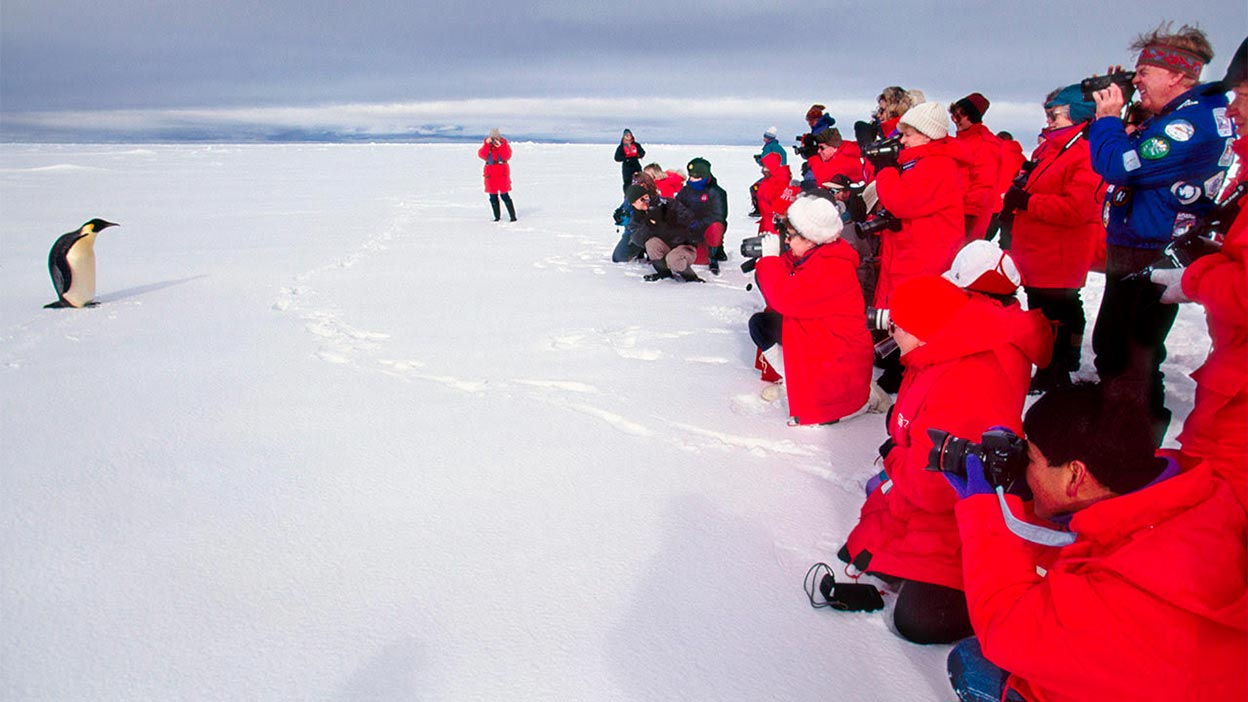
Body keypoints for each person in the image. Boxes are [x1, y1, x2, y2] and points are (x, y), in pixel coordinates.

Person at [944, 382, 1248, 702]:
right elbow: (1092, 543)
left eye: (1030, 458)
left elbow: (1005, 629)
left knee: (973, 661)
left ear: (1076, 475)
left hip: (1161, 681)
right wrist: (1031, 502)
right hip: (1209, 672)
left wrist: (986, 519)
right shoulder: (1198, 500)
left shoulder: (1115, 594)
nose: (1023, 467)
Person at [839, 274, 1049, 645]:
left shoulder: (965, 381)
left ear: (924, 330)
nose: (891, 332)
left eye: (898, 325)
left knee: (918, 622)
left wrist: (895, 458)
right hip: (926, 504)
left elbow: (935, 489)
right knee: (866, 552)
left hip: (964, 516)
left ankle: (1005, 611)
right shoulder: (934, 356)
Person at [1087, 23, 1232, 445]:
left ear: (1177, 75)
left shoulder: (1189, 125)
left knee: (1130, 353)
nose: (1135, 81)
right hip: (1141, 243)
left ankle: (1130, 446)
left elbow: (1119, 165)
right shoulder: (1179, 117)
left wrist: (1108, 119)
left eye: (1144, 72)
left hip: (1150, 251)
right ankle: (1121, 433)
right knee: (1119, 347)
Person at [1150, 36, 1248, 512]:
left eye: (1243, 97)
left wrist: (1195, 279)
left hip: (1238, 407)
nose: (1233, 110)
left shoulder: (1187, 128)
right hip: (1232, 379)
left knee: (1215, 510)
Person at [1003, 84, 1103, 392]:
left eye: (1055, 114)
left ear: (1077, 115)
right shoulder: (1053, 148)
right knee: (1045, 310)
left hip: (1059, 251)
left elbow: (1078, 208)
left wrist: (1028, 201)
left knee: (1055, 312)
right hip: (1038, 247)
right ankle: (1056, 363)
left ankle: (1055, 370)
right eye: (1047, 114)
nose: (1048, 120)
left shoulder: (1085, 153)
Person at [868, 101, 968, 392]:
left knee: (914, 313)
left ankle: (909, 370)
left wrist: (885, 171)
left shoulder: (937, 165)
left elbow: (901, 202)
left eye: (907, 134)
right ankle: (898, 360)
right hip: (911, 248)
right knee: (902, 308)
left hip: (924, 253)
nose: (902, 140)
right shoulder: (922, 162)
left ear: (926, 135)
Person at [750, 193, 876, 425]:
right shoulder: (820, 252)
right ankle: (792, 382)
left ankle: (833, 406)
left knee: (772, 322)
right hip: (821, 338)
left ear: (810, 239)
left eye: (790, 236)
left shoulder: (831, 267)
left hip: (836, 357)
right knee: (761, 325)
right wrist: (773, 257)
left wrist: (769, 261)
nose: (787, 242)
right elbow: (789, 266)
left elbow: (785, 299)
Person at [624, 183, 703, 283]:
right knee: (651, 244)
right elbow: (637, 239)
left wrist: (671, 217)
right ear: (634, 204)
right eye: (641, 199)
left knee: (673, 259)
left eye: (646, 197)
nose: (646, 201)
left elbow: (690, 218)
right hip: (665, 247)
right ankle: (665, 275)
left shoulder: (666, 203)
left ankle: (691, 277)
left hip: (684, 246)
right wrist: (649, 224)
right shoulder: (636, 218)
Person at [951, 93, 1004, 240]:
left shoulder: (986, 144)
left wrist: (969, 214)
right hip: (954, 211)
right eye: (954, 116)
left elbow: (984, 183)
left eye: (959, 116)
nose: (955, 120)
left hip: (968, 216)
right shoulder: (962, 140)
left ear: (972, 116)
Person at [675, 157, 729, 275]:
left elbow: (719, 216)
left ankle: (714, 253)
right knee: (698, 260)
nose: (692, 180)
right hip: (691, 230)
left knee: (716, 226)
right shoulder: (685, 191)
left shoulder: (716, 192)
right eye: (690, 176)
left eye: (696, 177)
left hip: (707, 228)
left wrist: (699, 223)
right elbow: (676, 207)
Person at [749, 127, 789, 217]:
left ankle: (759, 210)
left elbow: (765, 162)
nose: (763, 138)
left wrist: (758, 159)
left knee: (755, 188)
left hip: (772, 176)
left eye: (765, 137)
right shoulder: (780, 148)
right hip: (782, 175)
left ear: (768, 138)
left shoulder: (768, 148)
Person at [478, 128, 516, 222]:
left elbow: (507, 156)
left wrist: (501, 147)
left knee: (504, 195)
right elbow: (482, 155)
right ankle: (497, 217)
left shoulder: (504, 145)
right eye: (493, 138)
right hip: (490, 174)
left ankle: (512, 217)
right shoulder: (487, 146)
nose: (495, 140)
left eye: (496, 137)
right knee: (492, 196)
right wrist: (487, 144)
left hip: (502, 173)